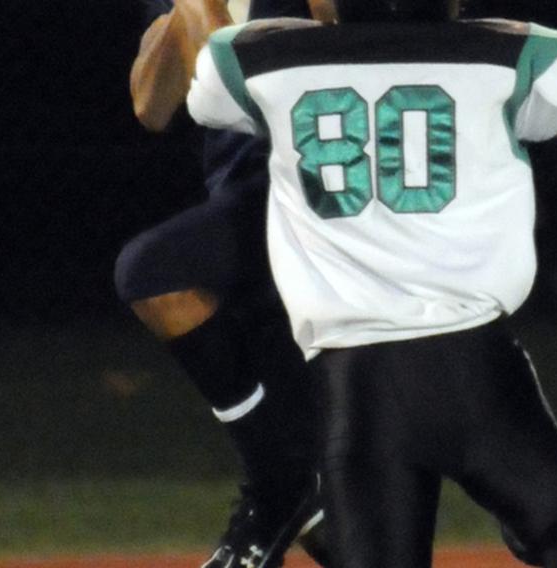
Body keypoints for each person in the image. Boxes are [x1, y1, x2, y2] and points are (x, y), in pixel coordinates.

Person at [186, 0, 557, 566]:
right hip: (476, 371)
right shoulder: (513, 51)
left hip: (356, 384)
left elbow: (209, 73)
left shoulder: (256, 57)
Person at [115, 1, 335, 566]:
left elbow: (256, 96)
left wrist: (208, 13)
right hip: (245, 209)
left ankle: (279, 487)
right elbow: (151, 108)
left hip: (318, 196)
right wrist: (186, 14)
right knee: (337, 528)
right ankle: (285, 489)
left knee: (153, 271)